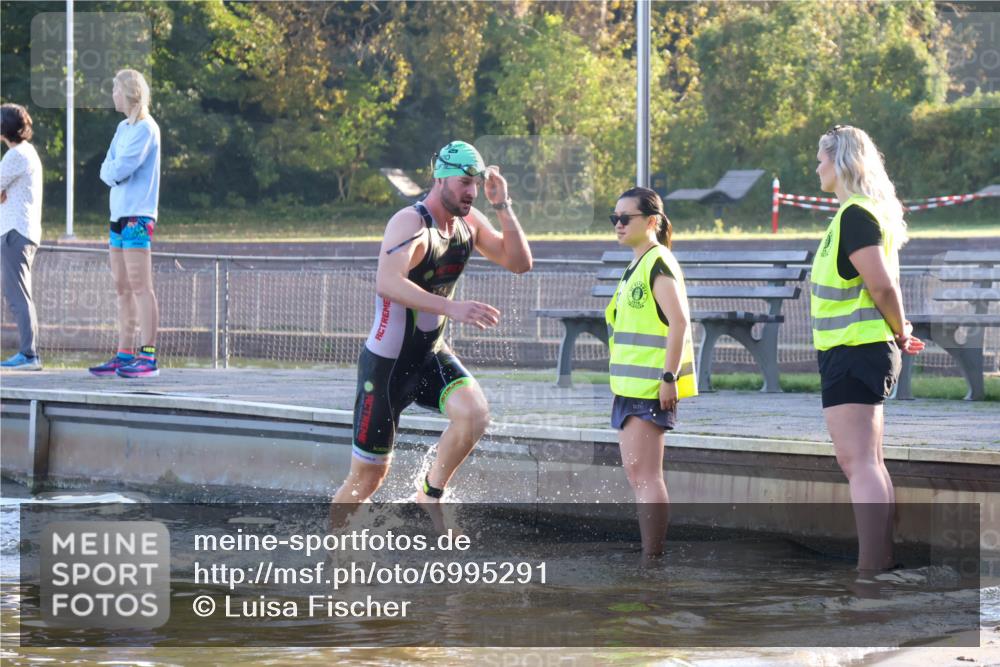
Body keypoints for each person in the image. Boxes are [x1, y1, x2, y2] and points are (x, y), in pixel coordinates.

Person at [331, 140, 532, 532]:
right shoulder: (410, 222)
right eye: (464, 183)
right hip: (386, 368)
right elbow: (388, 283)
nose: (471, 192)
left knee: (474, 415)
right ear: (440, 177)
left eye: (476, 184)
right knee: (366, 480)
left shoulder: (469, 222)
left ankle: (429, 494)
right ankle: (338, 559)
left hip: (430, 355)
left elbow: (520, 263)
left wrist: (502, 204)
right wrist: (453, 308)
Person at [811, 125, 924, 573]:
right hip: (856, 349)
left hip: (855, 350)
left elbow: (881, 284)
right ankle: (880, 563)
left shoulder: (855, 215)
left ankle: (870, 570)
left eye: (821, 159)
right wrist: (897, 331)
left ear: (841, 163)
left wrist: (899, 330)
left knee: (858, 462)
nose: (816, 168)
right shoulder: (857, 214)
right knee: (868, 460)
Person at [605, 186, 697, 560]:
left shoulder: (658, 262)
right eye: (615, 218)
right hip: (630, 386)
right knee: (637, 477)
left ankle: (651, 559)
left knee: (646, 478)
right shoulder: (638, 263)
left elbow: (679, 323)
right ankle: (649, 554)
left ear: (652, 221)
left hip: (649, 387)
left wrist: (669, 377)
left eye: (626, 218)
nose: (618, 224)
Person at [89, 69, 161, 379]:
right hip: (117, 215)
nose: (113, 96)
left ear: (129, 93)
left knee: (141, 286)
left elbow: (122, 168)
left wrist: (112, 171)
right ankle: (124, 353)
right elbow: (108, 165)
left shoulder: (146, 128)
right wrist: (112, 171)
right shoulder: (122, 127)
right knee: (121, 287)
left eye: (116, 90)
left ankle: (148, 356)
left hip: (137, 215)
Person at [0, 103, 43, 371]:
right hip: (19, 231)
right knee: (17, 292)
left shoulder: (16, 156)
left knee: (18, 294)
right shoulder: (24, 154)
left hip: (16, 233)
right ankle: (29, 353)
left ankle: (29, 354)